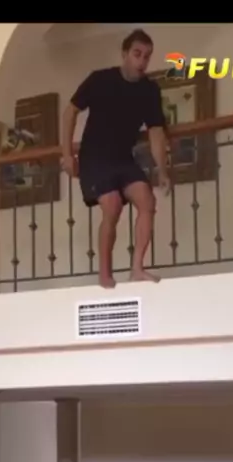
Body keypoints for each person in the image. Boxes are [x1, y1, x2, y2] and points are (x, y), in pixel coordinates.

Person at [62, 29, 170, 288]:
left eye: (147, 56)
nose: (142, 61)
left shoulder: (149, 90)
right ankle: (104, 274)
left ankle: (137, 269)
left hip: (123, 159)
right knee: (112, 205)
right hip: (94, 158)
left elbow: (156, 132)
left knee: (147, 199)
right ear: (124, 54)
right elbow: (69, 112)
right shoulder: (100, 79)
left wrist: (163, 170)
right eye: (137, 54)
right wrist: (66, 154)